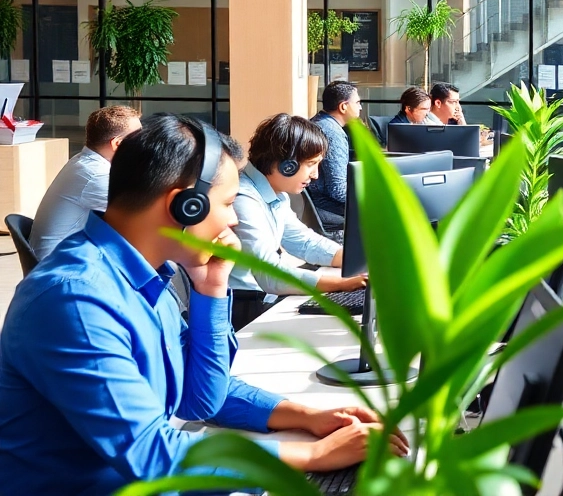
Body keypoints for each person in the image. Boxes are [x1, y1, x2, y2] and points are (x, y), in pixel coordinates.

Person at [0, 114, 406, 493]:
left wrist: (307, 417)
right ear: (183, 205)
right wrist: (312, 455)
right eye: (228, 204)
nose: (233, 222)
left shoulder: (147, 275)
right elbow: (152, 456)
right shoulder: (77, 300)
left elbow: (200, 397)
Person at [231, 113, 368, 330]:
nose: (315, 175)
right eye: (311, 164)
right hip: (242, 310)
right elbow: (270, 275)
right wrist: (343, 284)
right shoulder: (243, 198)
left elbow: (304, 242)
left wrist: (360, 261)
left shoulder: (275, 194)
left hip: (261, 301)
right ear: (287, 165)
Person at [30, 105, 142, 260]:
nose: (144, 143)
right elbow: (142, 215)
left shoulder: (85, 162)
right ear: (117, 144)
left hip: (67, 258)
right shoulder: (95, 174)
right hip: (62, 269)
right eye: (139, 138)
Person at [309, 81, 360, 231]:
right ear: (343, 106)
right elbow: (338, 189)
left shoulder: (318, 122)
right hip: (325, 208)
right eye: (357, 102)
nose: (360, 107)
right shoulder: (333, 133)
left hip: (314, 203)